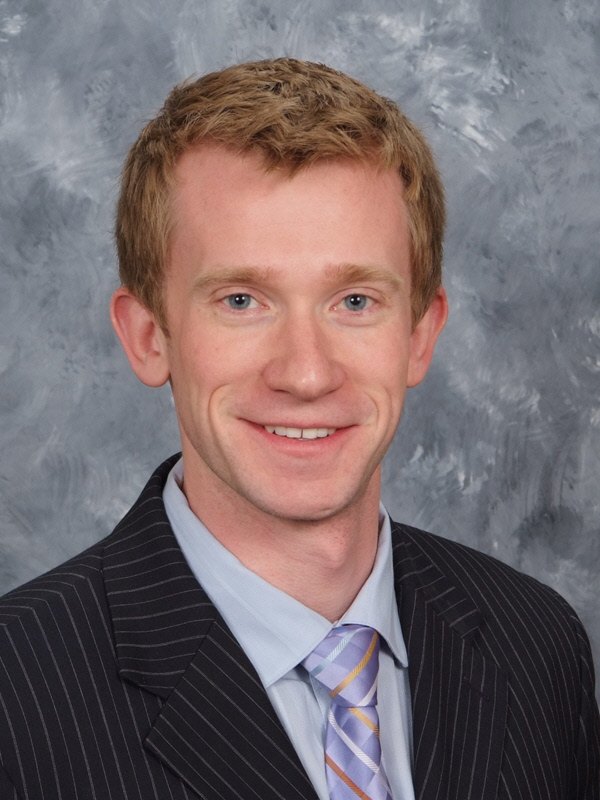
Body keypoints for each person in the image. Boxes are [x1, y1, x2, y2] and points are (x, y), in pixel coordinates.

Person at [0, 57, 598, 800]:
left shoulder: (537, 646)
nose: (307, 374)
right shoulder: (17, 697)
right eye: (242, 301)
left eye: (355, 301)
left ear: (420, 334)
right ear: (149, 336)